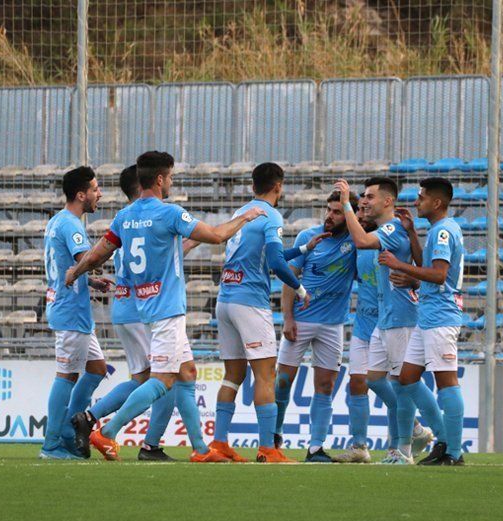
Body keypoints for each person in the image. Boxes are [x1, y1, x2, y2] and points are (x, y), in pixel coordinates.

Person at [64, 151, 265, 461]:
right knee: (161, 380)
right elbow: (216, 235)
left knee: (187, 372)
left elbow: (97, 255)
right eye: (170, 177)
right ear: (159, 180)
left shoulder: (125, 216)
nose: (171, 183)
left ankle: (200, 450)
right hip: (167, 309)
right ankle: (106, 432)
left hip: (144, 306)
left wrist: (74, 272)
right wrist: (245, 216)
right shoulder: (169, 213)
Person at [210, 162, 329, 463]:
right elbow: (275, 264)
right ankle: (267, 449)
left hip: (225, 301)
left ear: (252, 186)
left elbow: (266, 255)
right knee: (265, 376)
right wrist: (302, 291)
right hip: (250, 302)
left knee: (232, 376)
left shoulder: (241, 214)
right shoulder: (271, 215)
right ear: (279, 186)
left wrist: (302, 250)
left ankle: (219, 444)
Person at [333, 177, 428, 465]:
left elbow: (419, 266)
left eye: (369, 198)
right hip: (369, 321)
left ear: (387, 201)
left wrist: (346, 202)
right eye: (361, 199)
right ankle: (378, 442)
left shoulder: (389, 231)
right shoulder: (367, 239)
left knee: (399, 382)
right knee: (369, 381)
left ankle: (402, 446)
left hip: (394, 318)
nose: (363, 203)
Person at [378, 177, 465, 466]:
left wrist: (398, 265)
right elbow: (426, 267)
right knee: (407, 378)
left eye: (422, 198)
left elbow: (439, 275)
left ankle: (452, 451)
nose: (417, 202)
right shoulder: (438, 230)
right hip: (427, 315)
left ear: (437, 202)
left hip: (441, 316)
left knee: (446, 381)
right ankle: (441, 438)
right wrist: (412, 234)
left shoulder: (443, 232)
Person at [273, 191, 358, 462]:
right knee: (283, 381)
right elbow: (290, 278)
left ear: (348, 215)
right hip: (301, 319)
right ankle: (273, 437)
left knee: (324, 386)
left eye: (336, 212)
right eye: (328, 210)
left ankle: (315, 447)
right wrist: (288, 317)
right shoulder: (307, 238)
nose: (329, 216)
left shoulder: (357, 241)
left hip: (333, 324)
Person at [39, 166, 111, 460]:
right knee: (66, 375)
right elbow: (88, 259)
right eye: (95, 189)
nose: (99, 194)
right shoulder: (71, 225)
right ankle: (53, 443)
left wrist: (90, 281)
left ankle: (69, 430)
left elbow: (67, 267)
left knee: (97, 368)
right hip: (70, 311)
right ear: (81, 195)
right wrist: (114, 242)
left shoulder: (56, 222)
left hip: (70, 307)